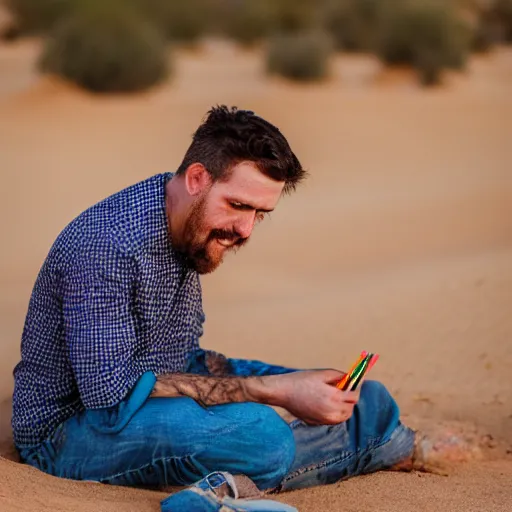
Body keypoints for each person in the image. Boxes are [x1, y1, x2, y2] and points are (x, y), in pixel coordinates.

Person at [13, 106, 452, 497]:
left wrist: (292, 388)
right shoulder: (108, 246)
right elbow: (109, 395)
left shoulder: (186, 225)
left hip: (160, 389)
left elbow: (185, 355)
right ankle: (362, 447)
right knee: (262, 437)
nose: (246, 230)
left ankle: (354, 436)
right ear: (197, 178)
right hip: (69, 432)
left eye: (260, 214)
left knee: (356, 397)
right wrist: (269, 393)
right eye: (238, 205)